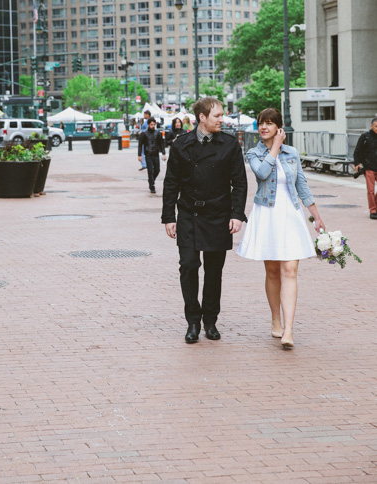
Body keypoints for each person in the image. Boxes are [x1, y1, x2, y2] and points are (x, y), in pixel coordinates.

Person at [236, 108, 326, 350]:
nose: (264, 126)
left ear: (278, 126)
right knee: (273, 272)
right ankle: (275, 318)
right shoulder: (254, 152)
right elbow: (262, 173)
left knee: (289, 270)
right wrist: (274, 147)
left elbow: (302, 185)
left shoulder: (292, 153)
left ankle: (288, 329)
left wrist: (316, 216)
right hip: (267, 214)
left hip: (291, 214)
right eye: (261, 123)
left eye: (270, 123)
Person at [162, 97, 247, 344]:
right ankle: (192, 321)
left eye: (222, 115)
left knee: (213, 271)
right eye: (217, 115)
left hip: (218, 215)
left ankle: (210, 321)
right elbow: (171, 184)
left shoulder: (230, 145)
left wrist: (237, 214)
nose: (222, 119)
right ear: (202, 117)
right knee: (188, 266)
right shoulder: (181, 144)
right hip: (189, 214)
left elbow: (239, 183)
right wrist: (169, 217)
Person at [353, 117, 377, 219]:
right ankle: (373, 210)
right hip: (369, 167)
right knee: (370, 191)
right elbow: (357, 151)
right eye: (376, 126)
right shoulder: (365, 136)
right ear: (371, 126)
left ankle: (375, 206)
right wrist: (357, 164)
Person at [138, 117, 166, 193]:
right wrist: (139, 155)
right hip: (148, 154)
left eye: (154, 124)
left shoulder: (158, 133)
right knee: (150, 170)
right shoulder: (144, 133)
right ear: (148, 124)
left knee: (157, 170)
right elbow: (140, 145)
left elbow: (161, 144)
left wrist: (164, 153)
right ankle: (152, 185)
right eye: (151, 124)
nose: (153, 126)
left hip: (156, 154)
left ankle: (151, 179)